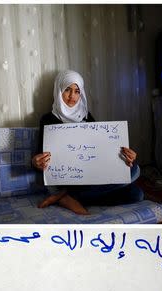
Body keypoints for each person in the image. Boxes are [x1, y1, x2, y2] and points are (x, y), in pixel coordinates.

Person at [32, 69, 144, 215]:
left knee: (136, 186)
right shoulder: (48, 119)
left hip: (90, 180)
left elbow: (99, 152)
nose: (72, 96)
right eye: (67, 90)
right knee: (134, 175)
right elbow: (40, 160)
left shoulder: (86, 116)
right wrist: (35, 162)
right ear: (59, 90)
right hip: (64, 181)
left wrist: (125, 158)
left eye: (77, 91)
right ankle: (67, 195)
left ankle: (66, 197)